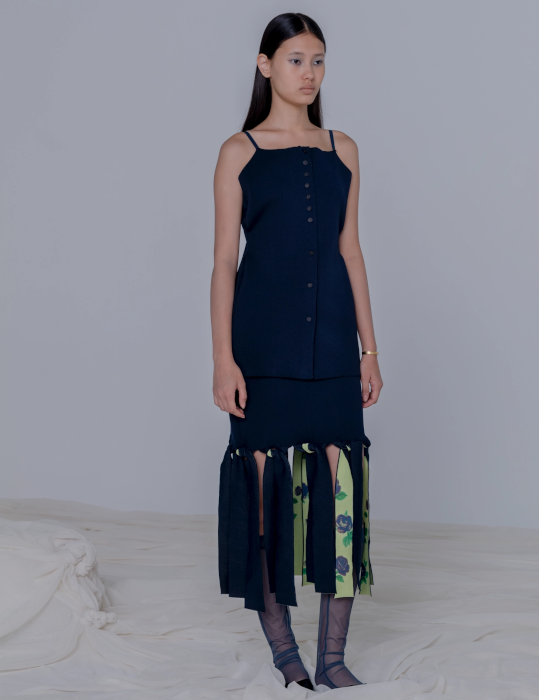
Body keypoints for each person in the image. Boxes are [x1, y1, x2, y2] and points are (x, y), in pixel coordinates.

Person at [211, 12, 383, 691]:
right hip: (261, 347)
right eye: (295, 60)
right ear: (265, 65)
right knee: (264, 502)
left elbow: (351, 251)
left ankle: (332, 658)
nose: (309, 74)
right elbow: (224, 262)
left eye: (318, 61)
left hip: (334, 345)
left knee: (342, 499)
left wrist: (370, 349)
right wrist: (223, 359)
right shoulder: (239, 152)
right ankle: (285, 652)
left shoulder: (344, 149)